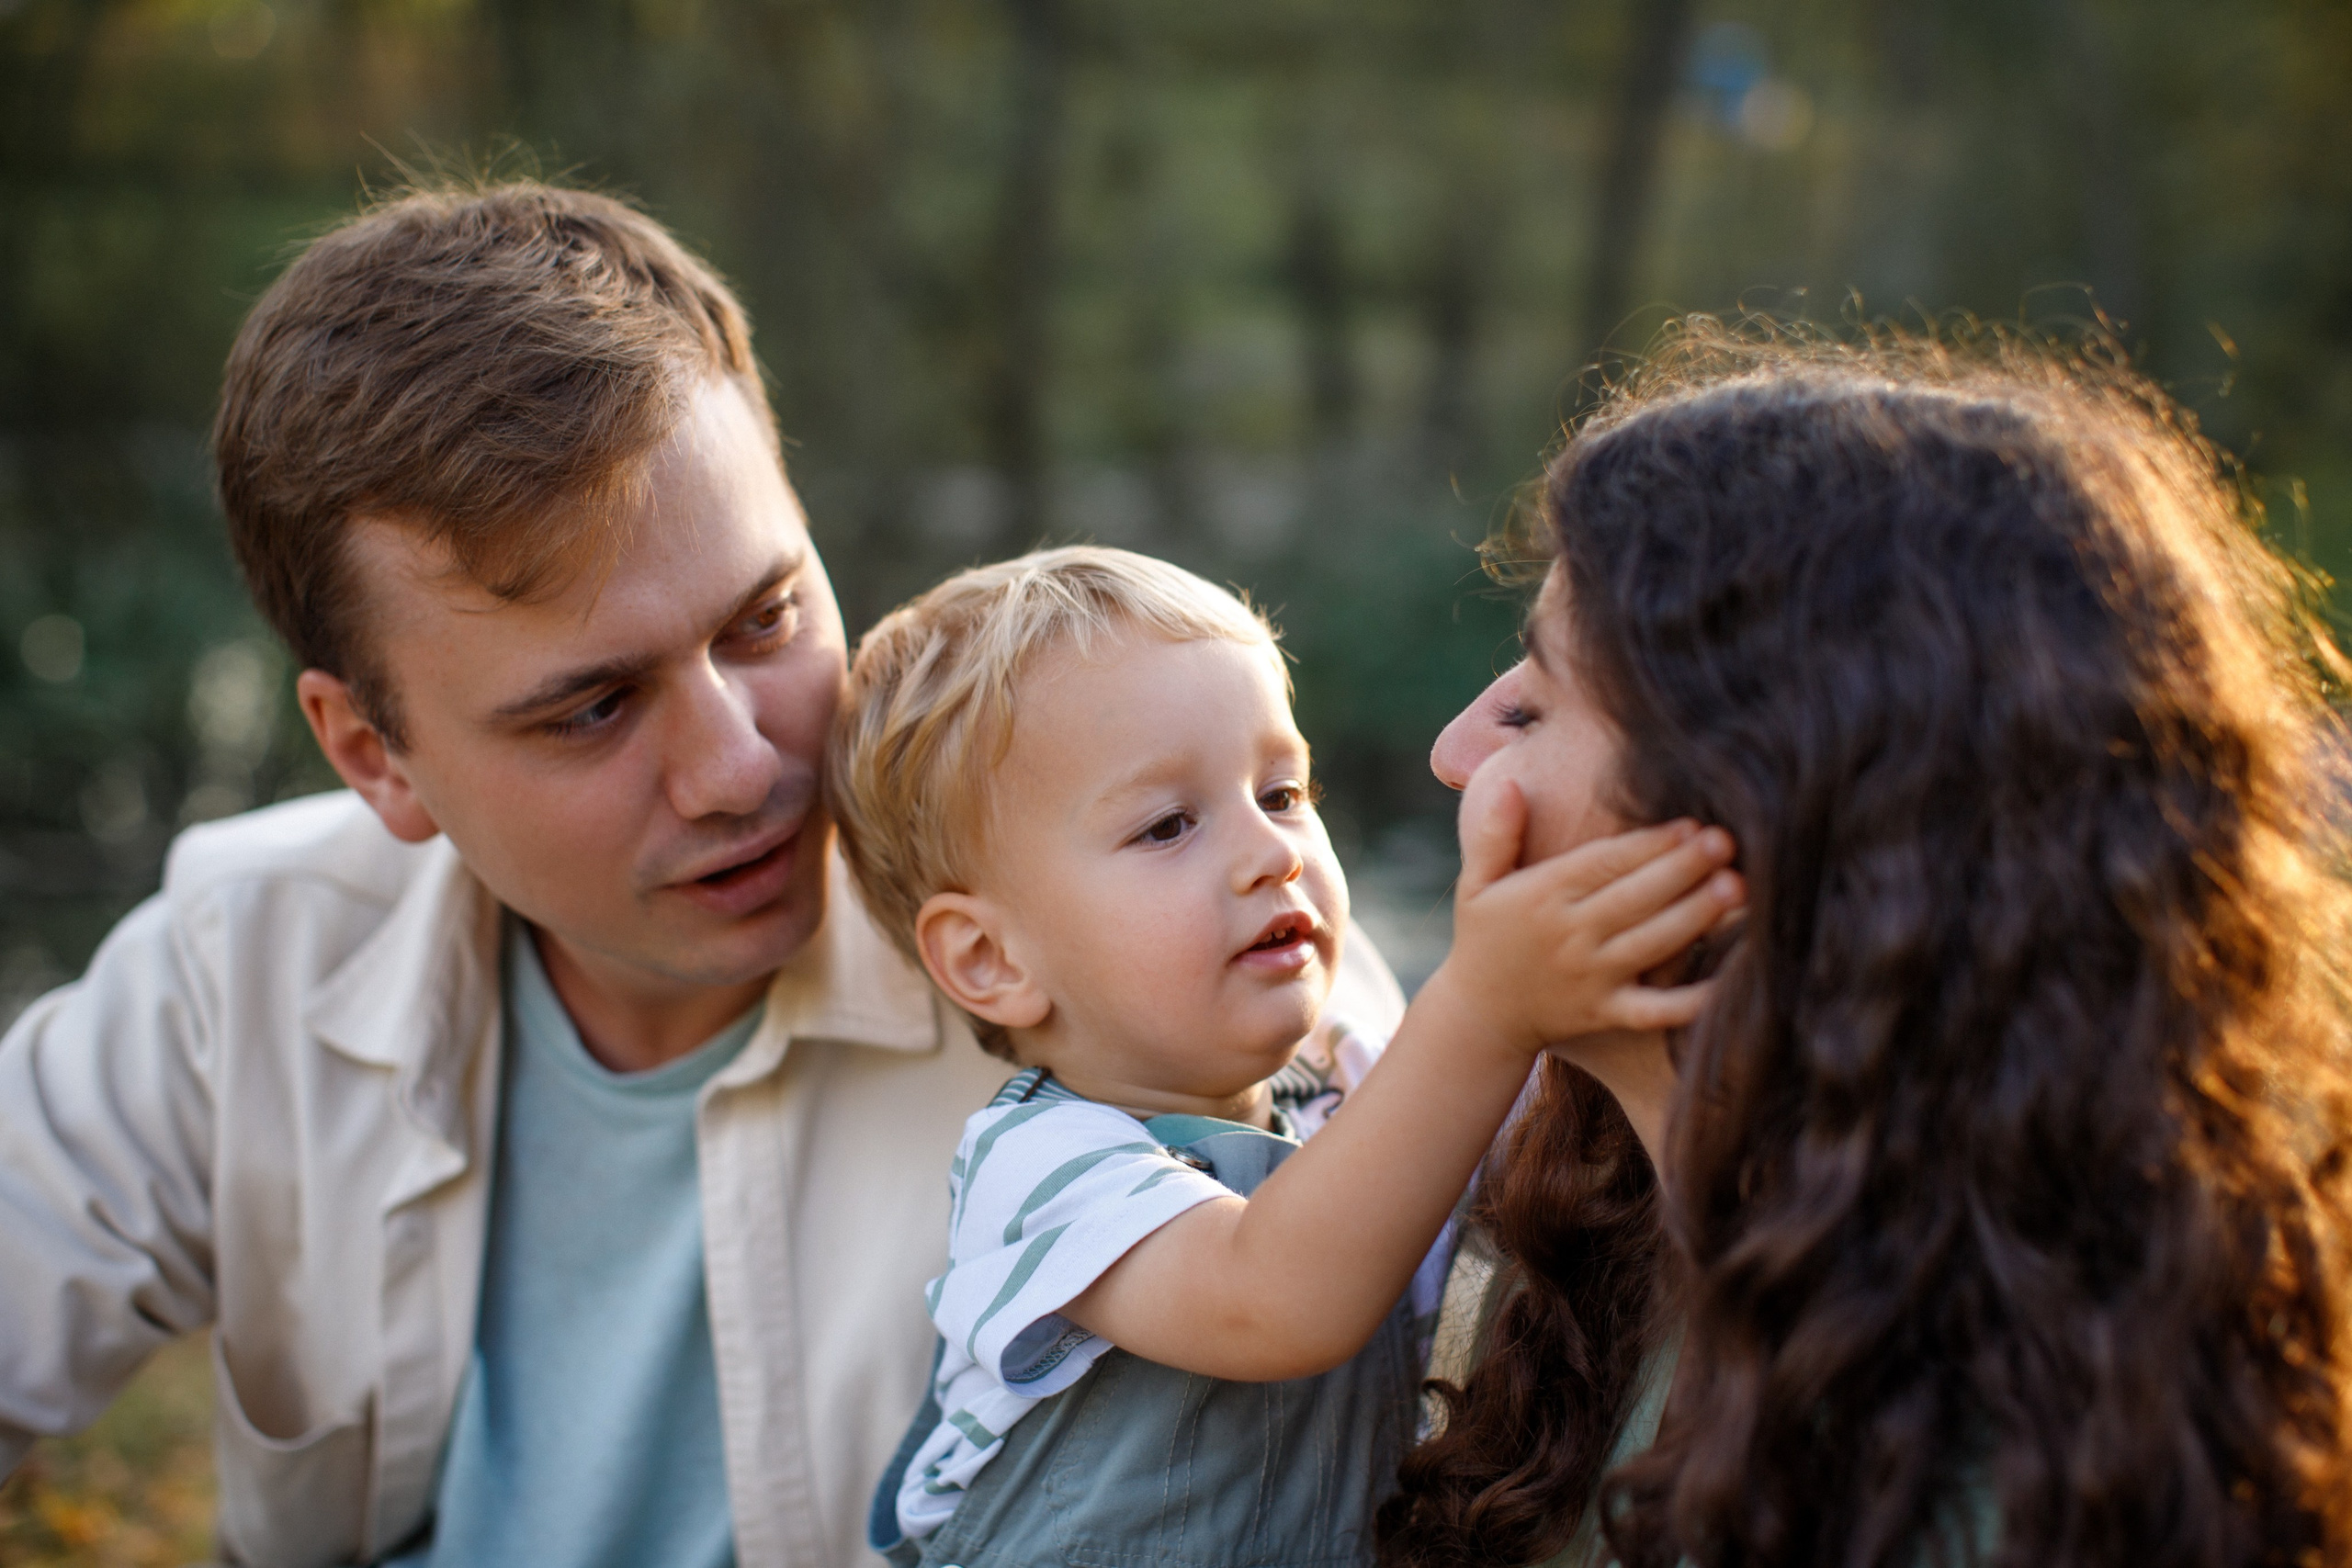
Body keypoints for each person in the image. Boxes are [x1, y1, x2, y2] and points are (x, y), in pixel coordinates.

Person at [0, 182, 1418, 1568]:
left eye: (764, 618)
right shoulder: (238, 961)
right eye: (594, 706)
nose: (741, 764)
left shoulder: (1133, 941)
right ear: (374, 751)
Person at [1380, 323, 2352, 1568]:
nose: (1455, 753)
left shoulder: (2011, 1487)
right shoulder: (1586, 1268)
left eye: (1534, 702)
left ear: (1772, 808)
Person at [824, 546, 1746, 1568]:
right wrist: (1486, 1008)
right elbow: (1269, 1298)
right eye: (1170, 825)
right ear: (990, 958)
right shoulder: (1037, 1169)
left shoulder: (1347, 1081)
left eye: (1282, 792)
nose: (1272, 853)